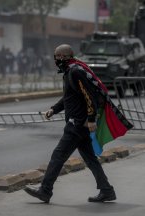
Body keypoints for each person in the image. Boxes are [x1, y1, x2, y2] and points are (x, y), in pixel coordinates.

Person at [24, 44, 129, 203]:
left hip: (77, 124)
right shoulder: (71, 70)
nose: (55, 60)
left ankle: (45, 191)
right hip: (79, 123)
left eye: (57, 56)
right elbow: (70, 97)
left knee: (58, 156)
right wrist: (54, 109)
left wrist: (91, 118)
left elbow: (89, 96)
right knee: (90, 158)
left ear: (63, 56)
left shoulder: (75, 72)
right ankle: (107, 190)